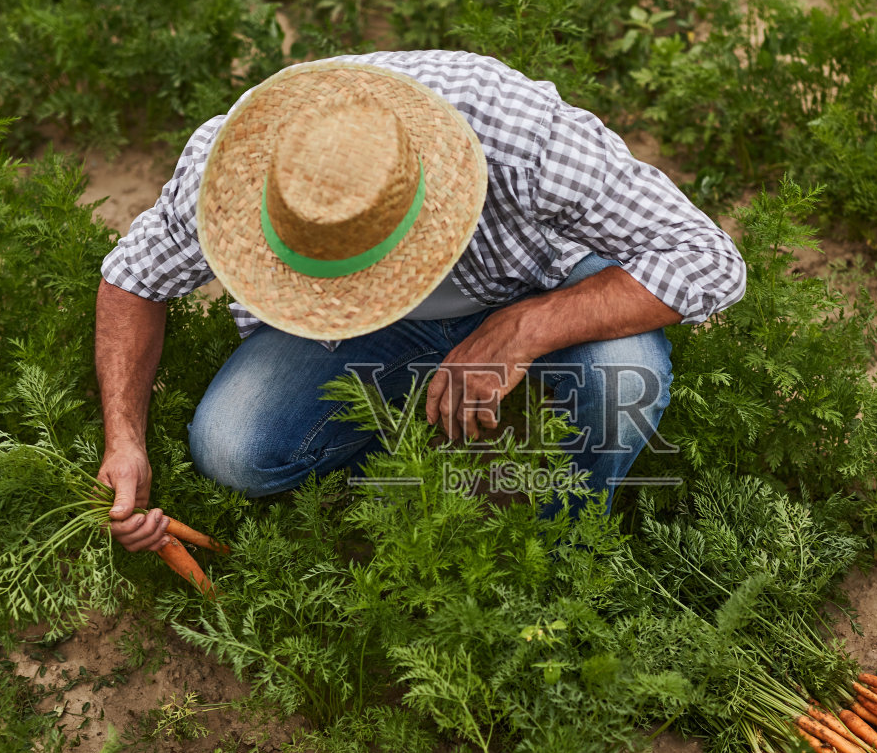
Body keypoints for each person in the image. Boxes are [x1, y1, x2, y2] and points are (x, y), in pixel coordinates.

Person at [95, 50, 745, 553]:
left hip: (534, 288)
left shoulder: (513, 131)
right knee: (233, 447)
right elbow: (132, 276)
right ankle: (426, 465)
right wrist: (125, 440)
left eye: (369, 271)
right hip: (358, 346)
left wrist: (525, 328)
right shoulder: (236, 169)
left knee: (617, 374)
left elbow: (708, 257)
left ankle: (560, 546)